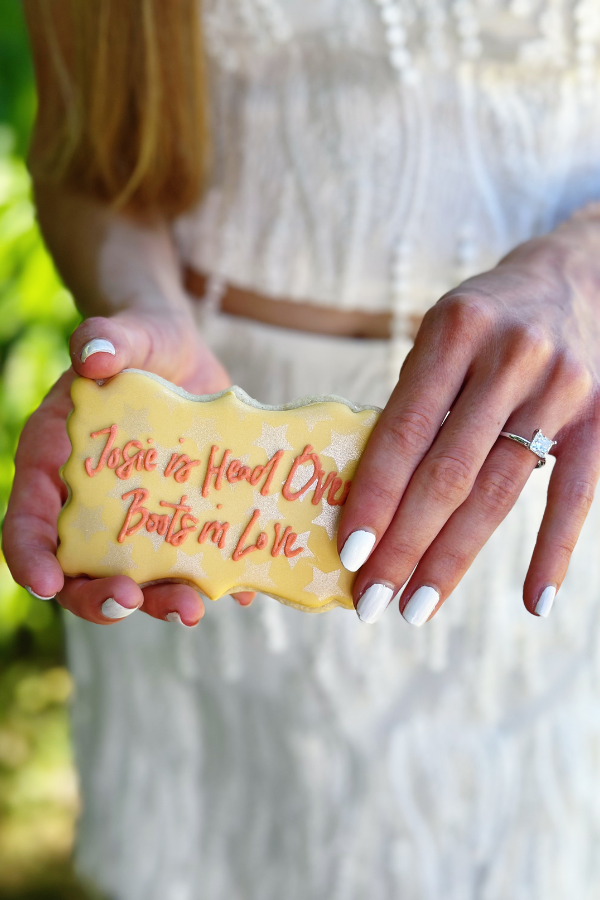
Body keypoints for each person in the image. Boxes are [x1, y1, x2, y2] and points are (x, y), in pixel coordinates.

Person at [5, 1, 600, 897]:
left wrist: (583, 275)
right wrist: (144, 309)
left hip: (546, 425)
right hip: (212, 449)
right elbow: (85, 146)